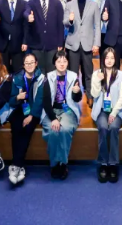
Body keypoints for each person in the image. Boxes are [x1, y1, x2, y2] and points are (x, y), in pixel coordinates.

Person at [41, 50, 82, 180]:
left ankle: (63, 163)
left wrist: (77, 92)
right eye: (59, 61)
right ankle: (54, 164)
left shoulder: (73, 76)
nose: (62, 63)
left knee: (64, 129)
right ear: (54, 63)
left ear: (68, 62)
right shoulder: (48, 77)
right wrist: (53, 118)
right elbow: (46, 101)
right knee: (53, 131)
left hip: (67, 110)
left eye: (64, 61)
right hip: (51, 110)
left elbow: (77, 99)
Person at [91, 47, 122, 183]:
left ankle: (113, 163)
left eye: (112, 58)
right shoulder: (97, 74)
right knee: (103, 127)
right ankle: (103, 163)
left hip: (116, 110)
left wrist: (113, 112)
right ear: (103, 59)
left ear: (115, 60)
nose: (109, 60)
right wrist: (97, 81)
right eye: (107, 57)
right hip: (101, 110)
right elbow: (94, 94)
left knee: (113, 128)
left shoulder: (121, 75)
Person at [7, 52, 44, 185]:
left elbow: (39, 100)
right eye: (26, 63)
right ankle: (20, 166)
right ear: (23, 65)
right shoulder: (17, 78)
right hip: (19, 109)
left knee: (27, 129)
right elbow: (11, 101)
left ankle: (15, 165)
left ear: (36, 63)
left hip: (33, 111)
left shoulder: (41, 78)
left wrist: (31, 115)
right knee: (16, 128)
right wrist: (17, 97)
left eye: (31, 62)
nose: (29, 65)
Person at [64, 0, 101, 106]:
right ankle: (73, 97)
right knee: (72, 73)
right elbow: (65, 23)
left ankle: (90, 95)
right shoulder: (69, 5)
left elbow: (97, 25)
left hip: (88, 44)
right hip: (72, 44)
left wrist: (96, 44)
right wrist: (70, 20)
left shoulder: (94, 5)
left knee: (88, 72)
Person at [24, 0, 65, 73]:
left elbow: (60, 24)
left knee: (52, 71)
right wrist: (28, 16)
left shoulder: (57, 3)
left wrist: (60, 43)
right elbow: (26, 12)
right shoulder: (32, 3)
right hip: (36, 44)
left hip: (53, 44)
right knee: (38, 72)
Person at [0, 0, 30, 74]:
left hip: (18, 44)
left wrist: (25, 42)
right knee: (3, 70)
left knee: (19, 70)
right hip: (2, 44)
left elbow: (26, 25)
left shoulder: (24, 4)